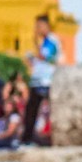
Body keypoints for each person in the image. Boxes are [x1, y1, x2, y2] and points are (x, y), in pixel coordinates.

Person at [22, 15, 59, 144]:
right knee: (31, 110)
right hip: (37, 80)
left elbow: (46, 57)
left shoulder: (51, 41)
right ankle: (28, 137)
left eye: (39, 26)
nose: (37, 29)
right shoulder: (44, 41)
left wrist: (35, 47)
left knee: (48, 110)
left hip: (46, 81)